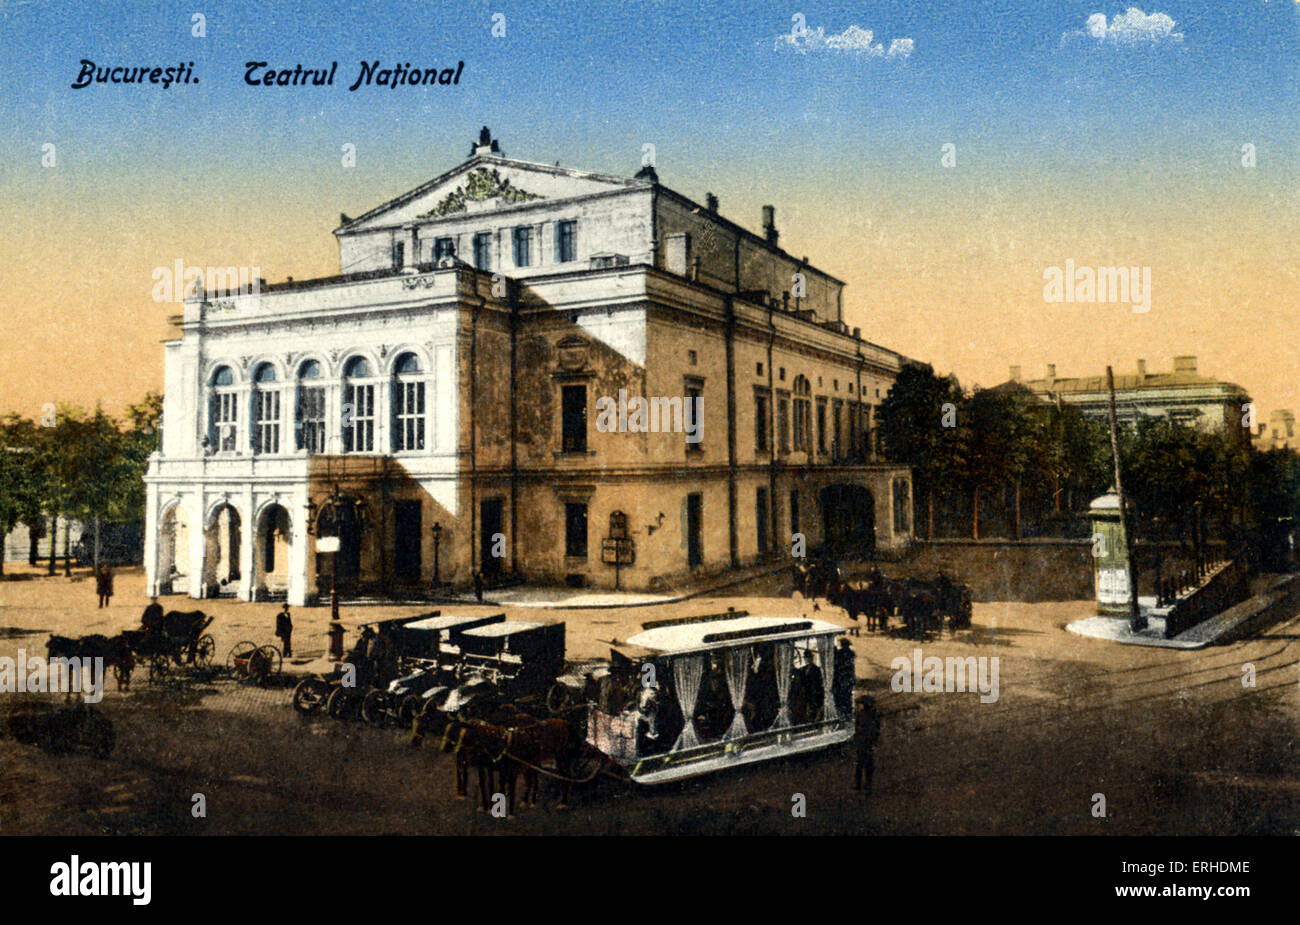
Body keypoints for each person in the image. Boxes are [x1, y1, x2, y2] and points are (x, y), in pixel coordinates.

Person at [854, 696, 881, 796]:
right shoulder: (874, 714)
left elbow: (857, 727)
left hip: (864, 741)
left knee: (861, 764)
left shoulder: (862, 714)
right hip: (867, 741)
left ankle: (860, 785)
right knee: (867, 765)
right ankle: (866, 785)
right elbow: (877, 728)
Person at [833, 637, 856, 718]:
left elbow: (837, 663)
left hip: (842, 678)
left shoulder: (841, 653)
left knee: (842, 696)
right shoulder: (851, 653)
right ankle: (847, 713)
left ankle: (844, 713)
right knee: (847, 696)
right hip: (848, 678)